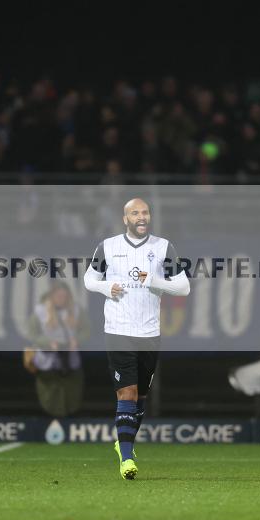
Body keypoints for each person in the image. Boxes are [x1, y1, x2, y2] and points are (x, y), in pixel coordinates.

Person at [83, 197, 190, 480]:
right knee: (126, 393)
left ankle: (123, 440)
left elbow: (184, 287)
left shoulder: (163, 247)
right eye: (135, 213)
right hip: (118, 330)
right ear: (125, 218)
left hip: (149, 332)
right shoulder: (108, 246)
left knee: (140, 396)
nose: (141, 217)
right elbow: (88, 279)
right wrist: (106, 287)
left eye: (145, 212)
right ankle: (127, 458)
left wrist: (154, 281)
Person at [23, 281, 90, 417]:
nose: (61, 299)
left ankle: (70, 419)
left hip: (69, 359)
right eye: (58, 296)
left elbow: (86, 330)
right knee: (49, 394)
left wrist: (76, 340)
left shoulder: (76, 311)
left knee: (71, 392)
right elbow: (31, 334)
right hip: (48, 361)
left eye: (64, 296)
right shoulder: (41, 312)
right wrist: (47, 342)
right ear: (52, 296)